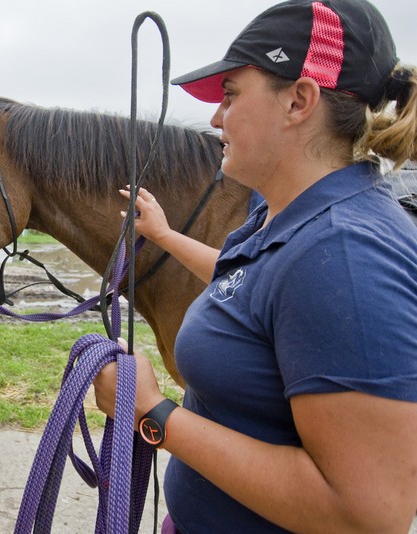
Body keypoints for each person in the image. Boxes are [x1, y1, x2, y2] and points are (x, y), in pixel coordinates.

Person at [94, 0, 417, 532]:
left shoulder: (343, 257)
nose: (217, 118)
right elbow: (248, 284)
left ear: (298, 100)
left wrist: (152, 413)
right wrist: (166, 235)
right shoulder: (284, 216)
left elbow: (366, 515)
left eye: (230, 96)